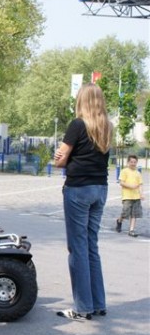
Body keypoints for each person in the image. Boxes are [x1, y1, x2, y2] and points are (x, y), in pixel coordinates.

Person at [53, 83, 112, 321]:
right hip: (100, 188)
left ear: (82, 100)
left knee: (77, 248)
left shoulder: (77, 125)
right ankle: (98, 303)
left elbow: (59, 160)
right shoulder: (107, 127)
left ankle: (82, 308)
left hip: (78, 189)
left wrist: (63, 159)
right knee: (91, 247)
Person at [116, 154, 144, 237]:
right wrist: (131, 186)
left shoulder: (138, 173)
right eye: (131, 162)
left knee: (134, 214)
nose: (133, 163)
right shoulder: (124, 171)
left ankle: (131, 230)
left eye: (135, 162)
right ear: (128, 162)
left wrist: (141, 194)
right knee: (125, 213)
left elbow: (140, 185)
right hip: (127, 196)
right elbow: (121, 182)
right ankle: (119, 220)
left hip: (136, 197)